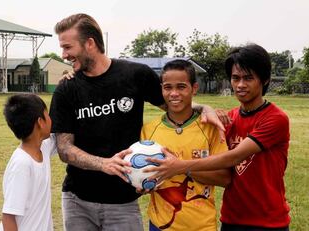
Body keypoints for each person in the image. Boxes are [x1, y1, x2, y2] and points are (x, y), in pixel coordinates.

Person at [50, 13, 225, 231]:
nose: (64, 55)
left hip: (123, 202)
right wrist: (104, 164)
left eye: (67, 47)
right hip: (78, 202)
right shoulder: (67, 89)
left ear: (90, 43)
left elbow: (173, 104)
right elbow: (64, 148)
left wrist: (205, 108)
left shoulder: (135, 75)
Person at [146, 44, 290, 231]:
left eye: (248, 78)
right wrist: (204, 107)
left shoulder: (275, 118)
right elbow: (181, 101)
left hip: (268, 222)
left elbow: (233, 158)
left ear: (264, 80)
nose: (240, 85)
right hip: (231, 219)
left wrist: (179, 166)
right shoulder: (228, 119)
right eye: (235, 78)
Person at [141, 59, 231, 231]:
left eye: (181, 87)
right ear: (161, 89)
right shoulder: (149, 130)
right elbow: (144, 174)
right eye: (168, 87)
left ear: (194, 89)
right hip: (160, 225)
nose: (174, 93)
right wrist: (142, 183)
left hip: (201, 226)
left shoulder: (210, 128)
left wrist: (181, 167)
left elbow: (225, 178)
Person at [0, 94, 56, 231]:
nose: (51, 119)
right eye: (47, 115)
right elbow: (8, 217)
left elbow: (58, 136)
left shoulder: (43, 147)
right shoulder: (22, 164)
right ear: (40, 122)